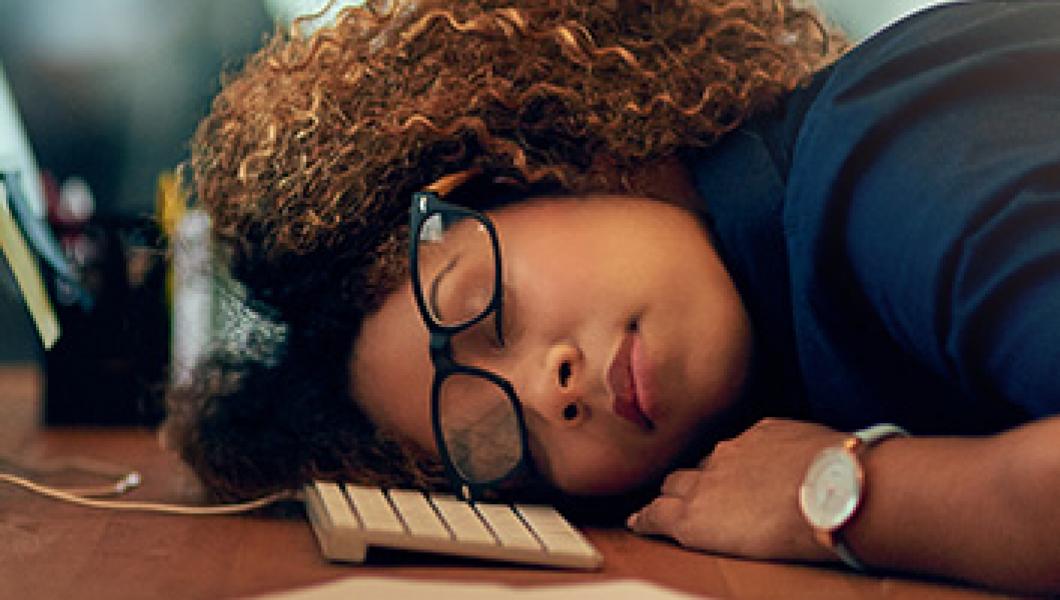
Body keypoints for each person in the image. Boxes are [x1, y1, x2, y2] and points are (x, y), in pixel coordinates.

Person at [163, 0, 1060, 594]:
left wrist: (837, 497)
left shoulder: (888, 161)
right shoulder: (784, 325)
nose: (550, 390)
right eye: (497, 439)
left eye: (485, 304)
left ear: (547, 159)